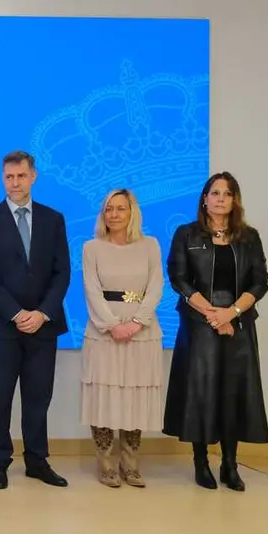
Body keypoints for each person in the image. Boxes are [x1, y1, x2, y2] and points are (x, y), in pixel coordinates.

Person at [162, 171, 268, 491]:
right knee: (201, 393)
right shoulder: (187, 234)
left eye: (227, 193)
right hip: (199, 322)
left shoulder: (249, 237)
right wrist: (211, 314)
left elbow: (260, 281)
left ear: (235, 200)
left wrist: (232, 313)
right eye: (215, 193)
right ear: (205, 199)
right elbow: (178, 278)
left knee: (233, 394)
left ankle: (230, 464)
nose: (221, 198)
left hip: (237, 322)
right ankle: (200, 462)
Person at [0, 150, 70, 490]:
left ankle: (37, 461)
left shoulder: (53, 219)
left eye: (21, 176)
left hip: (44, 325)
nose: (15, 183)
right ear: (3, 179)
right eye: (9, 177)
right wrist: (16, 313)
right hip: (1, 326)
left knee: (39, 396)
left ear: (33, 177)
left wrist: (42, 313)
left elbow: (62, 273)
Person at [80, 189, 165, 488]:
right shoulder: (91, 248)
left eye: (121, 209)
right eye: (109, 209)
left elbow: (156, 286)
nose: (114, 214)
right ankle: (106, 465)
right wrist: (113, 325)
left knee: (135, 398)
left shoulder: (150, 245)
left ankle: (131, 464)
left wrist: (137, 322)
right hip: (104, 333)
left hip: (142, 333)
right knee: (104, 397)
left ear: (132, 212)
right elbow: (91, 289)